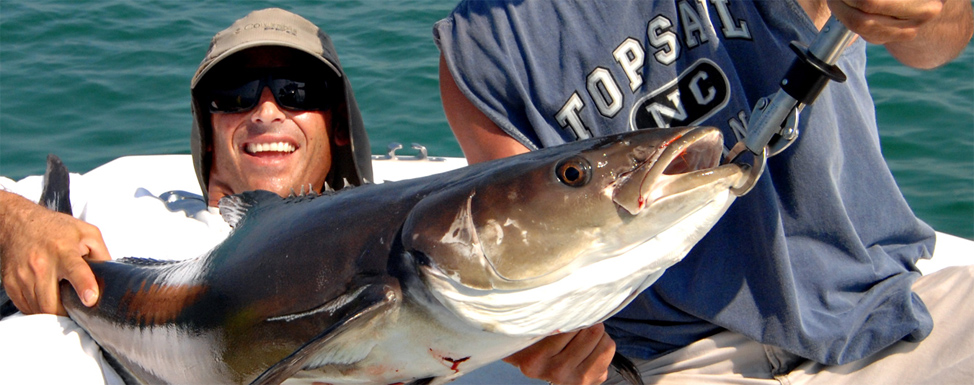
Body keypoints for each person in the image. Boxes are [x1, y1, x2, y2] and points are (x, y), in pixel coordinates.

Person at [434, 0, 973, 384]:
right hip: (679, 360)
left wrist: (928, 11)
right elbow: (516, 251)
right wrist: (541, 342)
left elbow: (938, 42)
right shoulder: (481, 54)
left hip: (887, 304)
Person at [0, 7, 371, 383]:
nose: (266, 112)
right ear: (208, 133)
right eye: (236, 93)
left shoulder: (375, 246)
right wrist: (18, 224)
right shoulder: (113, 197)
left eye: (298, 90)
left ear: (339, 124)